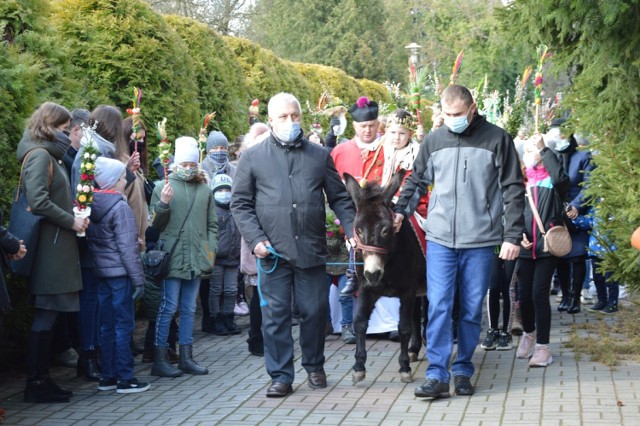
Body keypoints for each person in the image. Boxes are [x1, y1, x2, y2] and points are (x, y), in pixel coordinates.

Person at [392, 85, 525, 398]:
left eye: (458, 114)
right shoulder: (435, 140)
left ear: (472, 108)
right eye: (447, 114)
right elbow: (416, 180)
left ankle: (463, 368)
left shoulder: (497, 139)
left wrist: (512, 235)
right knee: (438, 305)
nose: (452, 120)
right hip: (440, 240)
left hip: (480, 240)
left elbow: (513, 189)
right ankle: (437, 374)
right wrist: (400, 212)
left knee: (468, 308)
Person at [231, 92, 356, 398]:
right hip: (271, 252)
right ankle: (281, 375)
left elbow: (339, 197)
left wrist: (352, 228)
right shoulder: (253, 157)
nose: (290, 122)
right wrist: (256, 240)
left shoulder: (319, 155)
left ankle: (314, 365)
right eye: (283, 117)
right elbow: (240, 204)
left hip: (311, 249)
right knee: (275, 316)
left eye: (295, 116)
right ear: (271, 120)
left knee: (314, 311)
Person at [17, 102, 89, 403]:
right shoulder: (40, 155)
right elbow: (37, 201)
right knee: (46, 315)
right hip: (50, 248)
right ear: (50, 127)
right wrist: (71, 220)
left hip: (56, 246)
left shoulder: (51, 155)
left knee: (51, 315)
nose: (67, 135)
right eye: (63, 129)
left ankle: (42, 379)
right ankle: (36, 382)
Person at [150, 136, 218, 378]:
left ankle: (187, 357)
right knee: (169, 307)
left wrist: (210, 252)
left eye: (192, 164)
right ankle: (159, 357)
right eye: (185, 164)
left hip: (197, 258)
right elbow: (154, 225)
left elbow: (212, 224)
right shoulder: (162, 187)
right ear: (176, 164)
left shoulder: (204, 189)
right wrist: (163, 204)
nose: (189, 168)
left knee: (189, 308)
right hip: (173, 256)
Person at [86, 157, 150, 393]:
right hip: (120, 275)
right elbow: (126, 249)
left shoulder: (91, 205)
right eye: (123, 177)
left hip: (101, 273)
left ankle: (107, 376)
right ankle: (126, 378)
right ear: (114, 181)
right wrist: (138, 279)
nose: (126, 181)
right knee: (124, 325)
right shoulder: (120, 207)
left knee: (106, 325)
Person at [515, 135, 569, 367]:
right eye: (528, 150)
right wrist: (518, 236)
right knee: (524, 296)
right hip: (526, 247)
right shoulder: (520, 182)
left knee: (539, 294)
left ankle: (543, 348)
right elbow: (510, 212)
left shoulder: (553, 182)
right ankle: (529, 333)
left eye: (535, 150)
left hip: (548, 246)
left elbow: (561, 178)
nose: (532, 153)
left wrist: (544, 149)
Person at [554, 121, 594, 314]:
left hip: (577, 211)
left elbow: (589, 185)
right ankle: (566, 294)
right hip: (557, 211)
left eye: (564, 136)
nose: (561, 140)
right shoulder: (553, 156)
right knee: (560, 255)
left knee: (577, 256)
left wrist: (575, 206)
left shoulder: (583, 156)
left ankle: (576, 297)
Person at [199, 130, 236, 332]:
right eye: (215, 148)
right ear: (208, 150)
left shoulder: (233, 169)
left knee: (230, 287)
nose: (219, 152)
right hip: (212, 231)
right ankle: (211, 318)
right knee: (212, 285)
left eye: (223, 148)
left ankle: (227, 317)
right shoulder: (202, 169)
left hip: (231, 232)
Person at [208, 174, 242, 336]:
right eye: (220, 190)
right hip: (217, 259)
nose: (224, 193)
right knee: (215, 290)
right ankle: (216, 319)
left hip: (233, 258)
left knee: (231, 290)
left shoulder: (236, 208)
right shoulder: (212, 210)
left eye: (227, 189)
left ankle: (229, 317)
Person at [62, 109, 90, 177]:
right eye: (88, 132)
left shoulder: (85, 154)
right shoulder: (61, 155)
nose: (91, 136)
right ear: (76, 130)